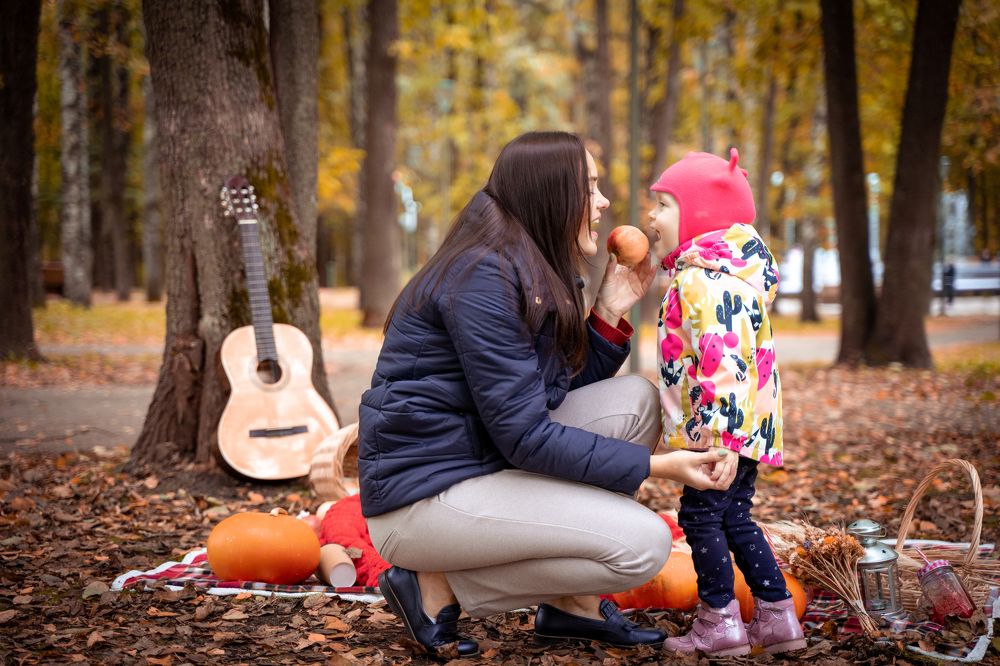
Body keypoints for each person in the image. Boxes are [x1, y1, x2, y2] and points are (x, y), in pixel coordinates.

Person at [358, 131, 735, 657]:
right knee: (643, 546)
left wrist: (606, 314)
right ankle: (433, 586)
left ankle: (572, 607)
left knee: (638, 401)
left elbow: (547, 396)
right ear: (552, 193)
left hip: (477, 458)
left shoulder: (525, 259)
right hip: (421, 496)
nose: (603, 202)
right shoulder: (482, 277)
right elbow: (527, 436)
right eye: (591, 188)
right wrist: (660, 467)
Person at [647, 148, 806, 657]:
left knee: (701, 517)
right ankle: (777, 614)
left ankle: (719, 619)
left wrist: (719, 439)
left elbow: (725, 363)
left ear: (699, 216)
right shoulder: (721, 276)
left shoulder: (703, 281)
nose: (651, 217)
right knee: (734, 515)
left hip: (719, 431)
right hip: (742, 427)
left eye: (664, 205)